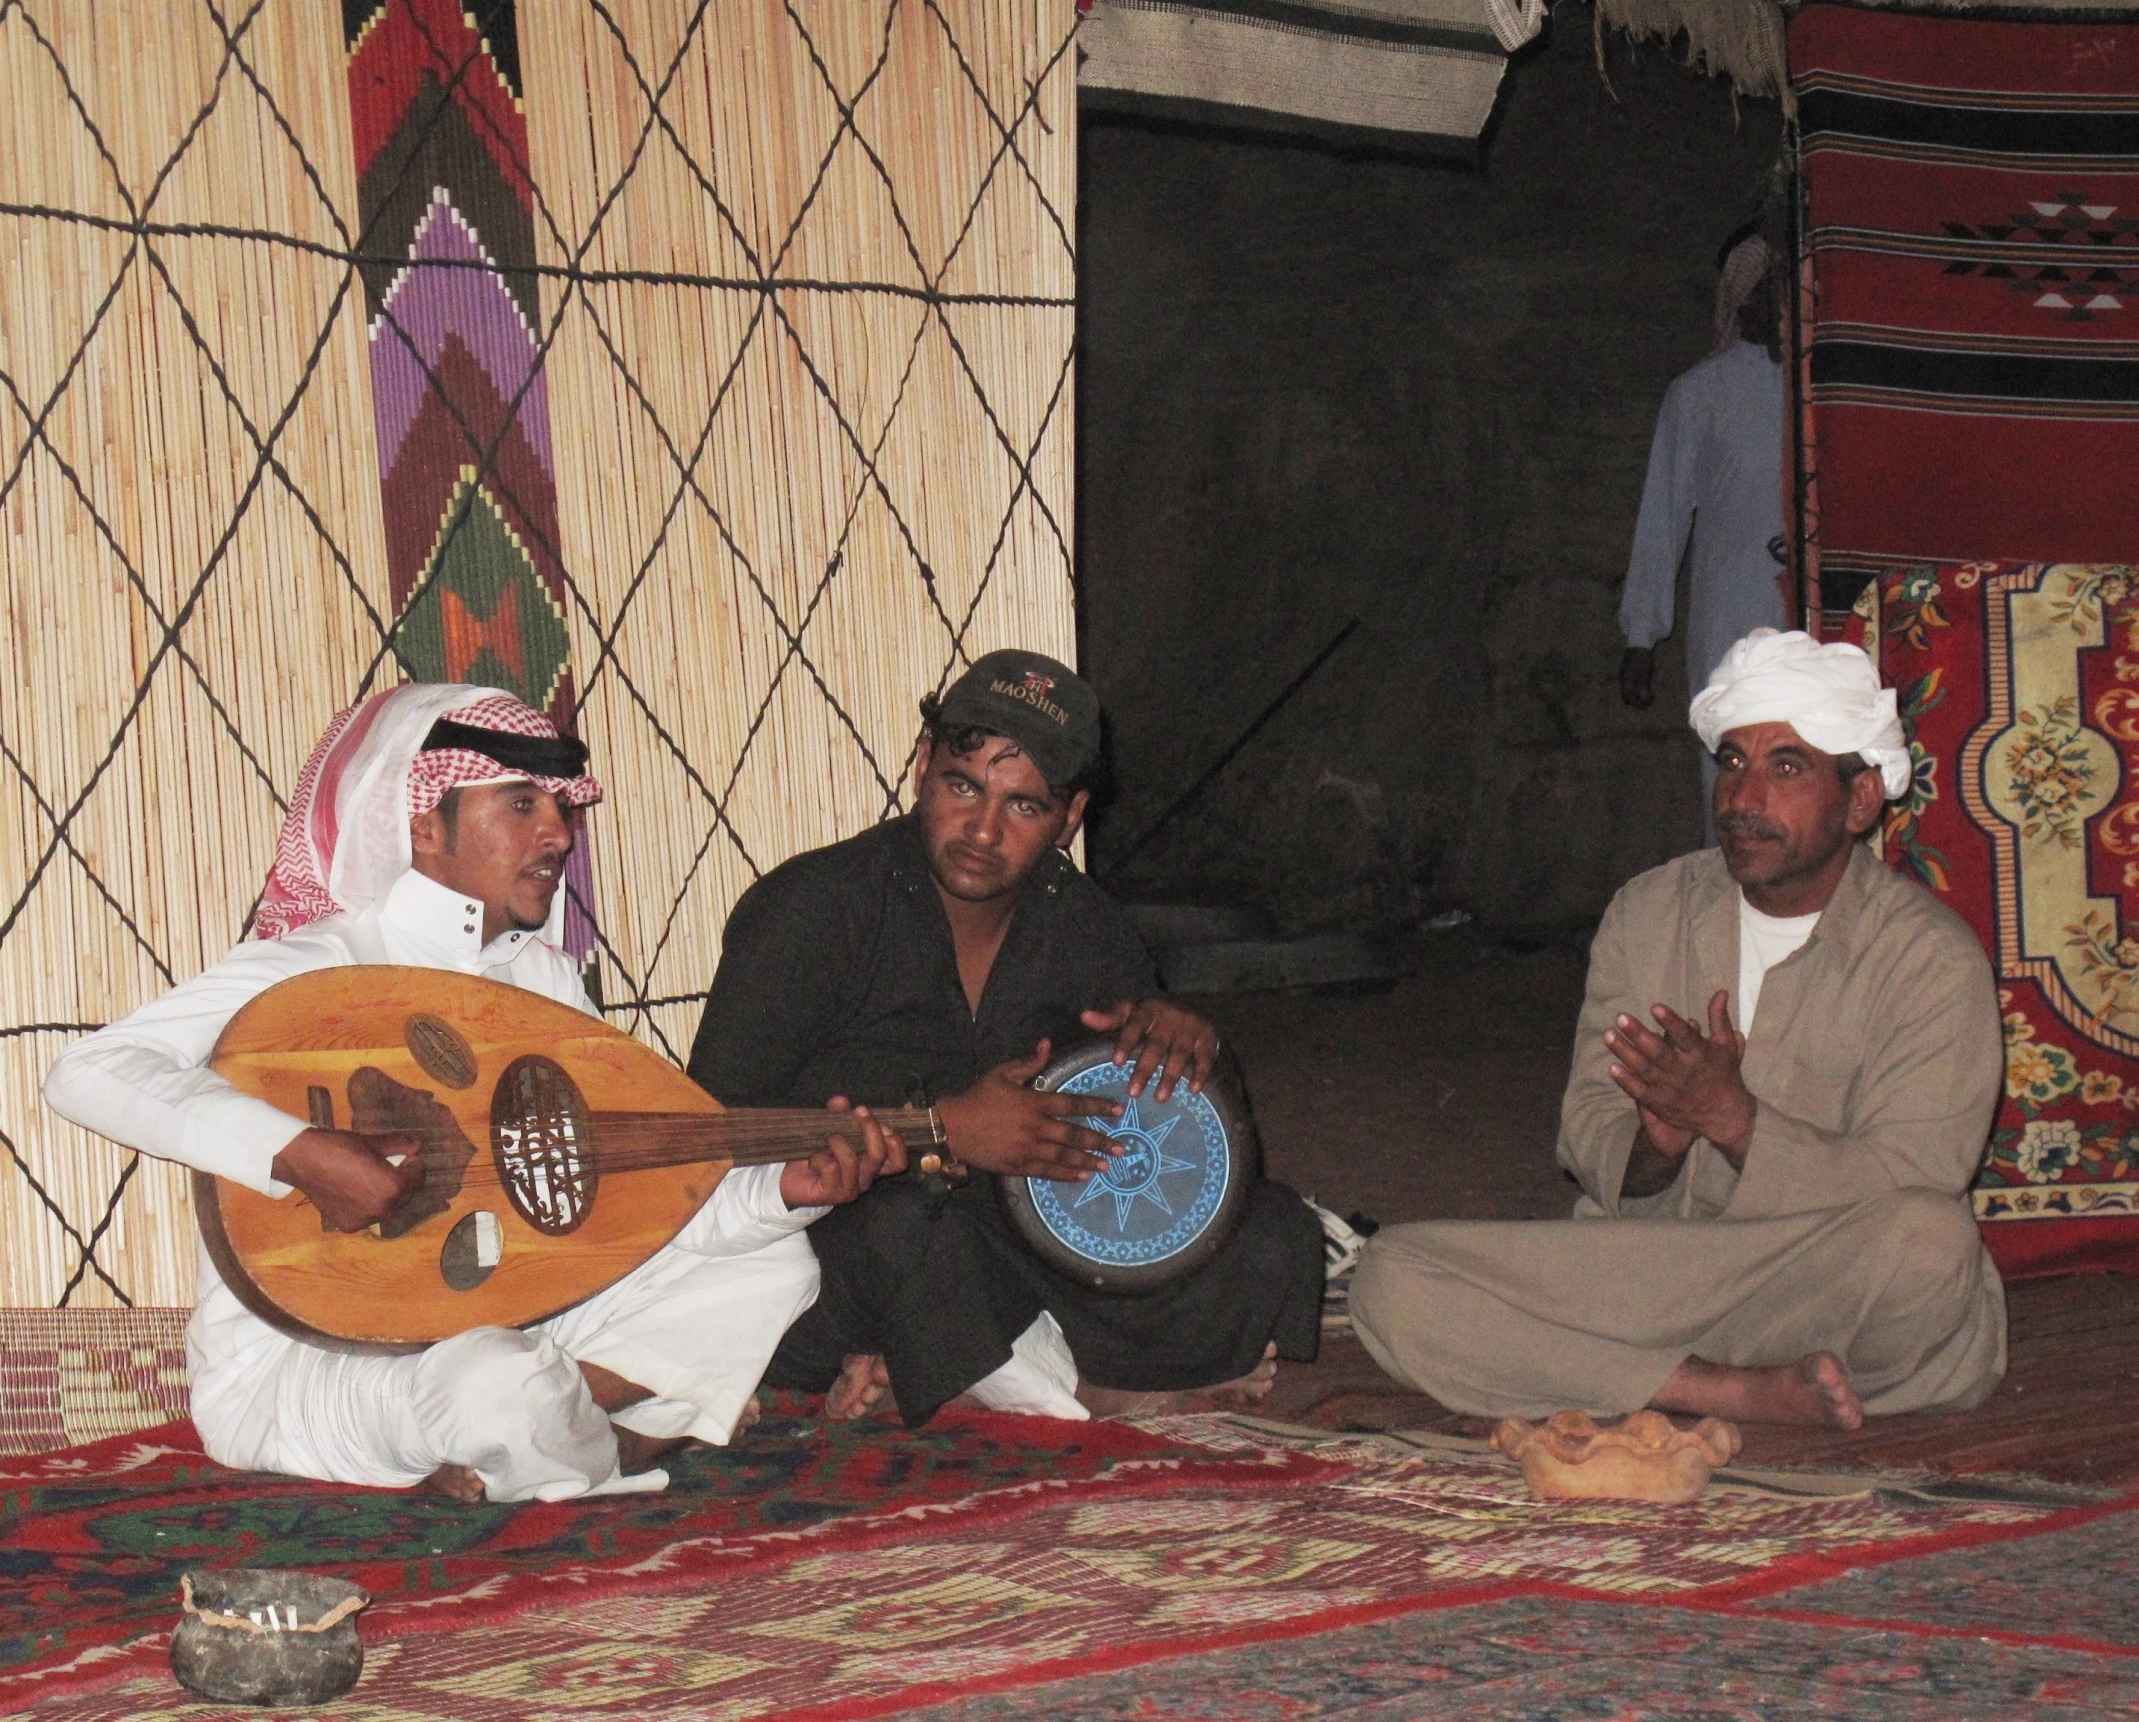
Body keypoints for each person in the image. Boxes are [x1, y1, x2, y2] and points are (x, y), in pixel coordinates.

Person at [45, 684, 903, 1503]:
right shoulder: (318, 968)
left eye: (560, 809)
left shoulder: (546, 983)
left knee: (773, 1258)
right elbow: (86, 1073)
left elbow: (615, 1206)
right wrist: (299, 1153)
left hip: (514, 1311)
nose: (559, 835)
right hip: (314, 1366)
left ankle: (557, 1432)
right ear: (425, 824)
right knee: (491, 1382)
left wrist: (784, 1193)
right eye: (521, 805)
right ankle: (618, 1439)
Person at [1351, 629, 2006, 1427]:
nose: (1741, 798)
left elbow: (1912, 1180)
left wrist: (1735, 1123)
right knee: (1391, 1276)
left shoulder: (1927, 959)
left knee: (1931, 1249)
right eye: (1731, 762)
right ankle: (1717, 1389)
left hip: (1812, 1277)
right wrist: (1653, 1147)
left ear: (1861, 799)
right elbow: (1587, 1133)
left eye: (1785, 767)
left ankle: (1604, 1374)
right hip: (1656, 1271)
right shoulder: (1650, 910)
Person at [686, 650, 1326, 1427]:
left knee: (1271, 1229)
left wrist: (1186, 1042)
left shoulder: (1084, 924)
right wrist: (940, 1128)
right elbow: (707, 1138)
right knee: (909, 1228)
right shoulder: (813, 909)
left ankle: (941, 1359)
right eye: (963, 786)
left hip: (1001, 1234)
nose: (983, 830)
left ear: (1070, 817)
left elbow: (1158, 1122)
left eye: (1024, 806)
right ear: (923, 765)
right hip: (833, 1242)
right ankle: (1071, 1390)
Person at [1618, 229, 1792, 826]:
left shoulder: (1819, 389)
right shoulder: (1698, 394)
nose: (1780, 302)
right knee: (1735, 764)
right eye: (1767, 289)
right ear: (1741, 298)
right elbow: (1661, 516)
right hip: (1731, 612)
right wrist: (1642, 635)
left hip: (1810, 615)